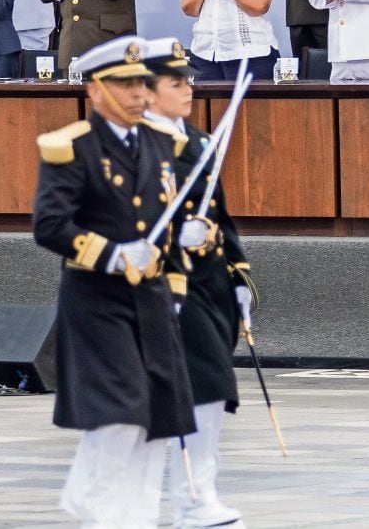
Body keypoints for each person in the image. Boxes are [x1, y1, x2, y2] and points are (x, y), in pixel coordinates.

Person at [33, 35, 195, 526]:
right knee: (119, 413)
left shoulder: (162, 143)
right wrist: (112, 253)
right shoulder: (72, 148)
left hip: (151, 297)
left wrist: (180, 273)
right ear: (95, 90)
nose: (137, 94)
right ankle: (103, 511)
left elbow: (163, 219)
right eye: (123, 85)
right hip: (98, 299)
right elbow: (51, 225)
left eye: (142, 84)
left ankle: (137, 514)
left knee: (158, 419)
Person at [143, 37, 255, 529]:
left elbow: (221, 218)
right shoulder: (138, 145)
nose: (188, 89)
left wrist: (239, 276)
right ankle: (189, 497)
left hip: (207, 284)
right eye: (175, 82)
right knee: (197, 389)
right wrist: (172, 235)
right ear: (147, 91)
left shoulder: (200, 142)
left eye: (188, 79)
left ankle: (198, 491)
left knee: (212, 393)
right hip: (165, 284)